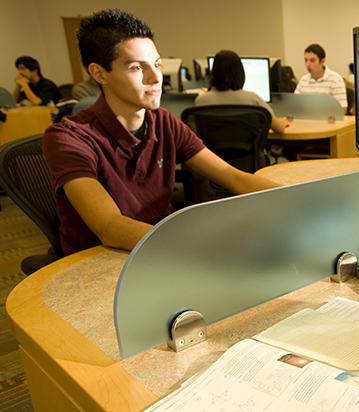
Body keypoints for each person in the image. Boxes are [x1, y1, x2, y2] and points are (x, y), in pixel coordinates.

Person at [43, 9, 279, 256]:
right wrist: (192, 247)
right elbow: (108, 226)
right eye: (136, 67)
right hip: (99, 266)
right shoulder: (68, 138)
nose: (156, 77)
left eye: (157, 64)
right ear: (99, 73)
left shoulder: (163, 122)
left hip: (159, 252)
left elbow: (233, 177)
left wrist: (298, 201)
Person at [195, 50, 289, 133]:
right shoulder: (252, 99)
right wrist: (281, 123)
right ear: (240, 73)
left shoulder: (201, 101)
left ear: (213, 73)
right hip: (247, 152)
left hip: (211, 153)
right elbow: (279, 129)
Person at [294, 44, 348, 114]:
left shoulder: (335, 80)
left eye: (312, 60)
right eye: (306, 60)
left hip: (328, 122)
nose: (308, 64)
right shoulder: (303, 80)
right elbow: (294, 105)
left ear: (322, 61)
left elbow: (342, 110)